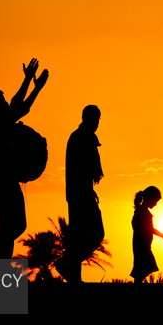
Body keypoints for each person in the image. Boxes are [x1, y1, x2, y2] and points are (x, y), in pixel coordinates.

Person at [0, 58, 49, 267]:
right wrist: (30, 84)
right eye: (2, 101)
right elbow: (18, 107)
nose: (6, 103)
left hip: (6, 177)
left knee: (8, 227)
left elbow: (18, 107)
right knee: (15, 226)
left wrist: (32, 84)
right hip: (4, 177)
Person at [56, 105, 104, 283]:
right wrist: (87, 191)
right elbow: (81, 169)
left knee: (78, 239)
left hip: (81, 193)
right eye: (95, 119)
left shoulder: (84, 137)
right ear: (86, 118)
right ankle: (67, 265)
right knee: (95, 233)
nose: (97, 123)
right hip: (80, 195)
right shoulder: (82, 138)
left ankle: (73, 275)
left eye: (98, 119)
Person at [130, 186, 163, 283]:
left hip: (142, 245)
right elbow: (150, 229)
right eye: (155, 201)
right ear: (149, 198)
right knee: (144, 267)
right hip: (142, 246)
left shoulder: (141, 210)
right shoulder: (142, 212)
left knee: (142, 268)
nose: (156, 204)